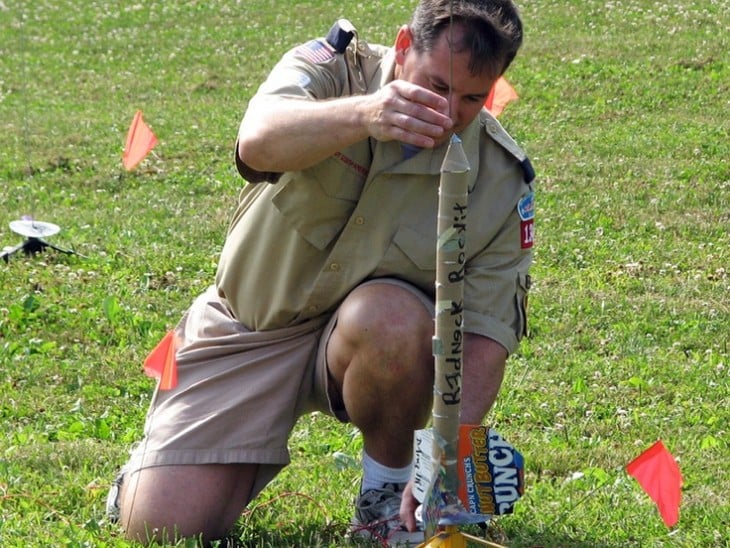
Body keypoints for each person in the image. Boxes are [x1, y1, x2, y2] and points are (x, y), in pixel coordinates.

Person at [107, 0, 535, 544]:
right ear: (404, 46)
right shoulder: (333, 69)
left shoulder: (501, 177)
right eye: (436, 85)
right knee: (162, 528)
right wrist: (366, 115)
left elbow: (486, 334)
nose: (449, 112)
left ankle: (384, 496)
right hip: (249, 328)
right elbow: (257, 139)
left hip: (374, 341)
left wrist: (448, 457)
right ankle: (149, 478)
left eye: (473, 97)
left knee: (394, 318)